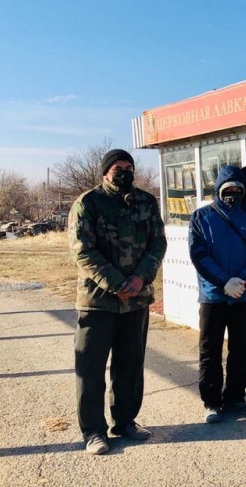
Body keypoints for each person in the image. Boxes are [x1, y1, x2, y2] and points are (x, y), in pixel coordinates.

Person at [69, 149, 167, 455]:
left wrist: (140, 279)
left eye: (128, 167)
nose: (123, 171)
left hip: (136, 301)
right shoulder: (88, 203)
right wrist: (116, 283)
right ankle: (94, 431)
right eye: (117, 167)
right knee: (91, 368)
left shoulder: (146, 202)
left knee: (130, 365)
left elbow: (157, 243)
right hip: (97, 302)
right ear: (105, 172)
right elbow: (83, 250)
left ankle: (125, 422)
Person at [188, 165, 246, 424]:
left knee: (241, 348)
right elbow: (199, 255)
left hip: (244, 295)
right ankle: (211, 402)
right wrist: (224, 282)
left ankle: (235, 398)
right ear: (218, 189)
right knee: (210, 350)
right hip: (214, 295)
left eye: (237, 189)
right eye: (228, 189)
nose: (233, 193)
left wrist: (241, 281)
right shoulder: (201, 217)